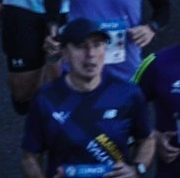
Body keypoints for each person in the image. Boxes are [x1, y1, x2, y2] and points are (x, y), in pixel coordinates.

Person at [20, 18, 154, 178]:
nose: (90, 54)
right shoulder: (45, 98)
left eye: (97, 45)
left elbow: (147, 140)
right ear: (64, 54)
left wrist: (137, 169)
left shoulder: (128, 94)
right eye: (80, 46)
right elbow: (29, 157)